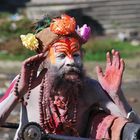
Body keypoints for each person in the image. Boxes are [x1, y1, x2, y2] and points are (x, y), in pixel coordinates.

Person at [0, 14, 139, 140]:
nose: (71, 62)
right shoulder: (26, 83)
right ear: (43, 61)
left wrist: (116, 95)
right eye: (61, 56)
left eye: (76, 55)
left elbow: (135, 132)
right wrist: (19, 91)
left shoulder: (90, 88)